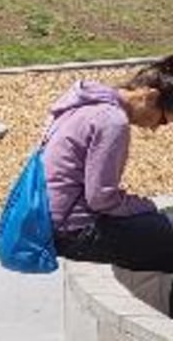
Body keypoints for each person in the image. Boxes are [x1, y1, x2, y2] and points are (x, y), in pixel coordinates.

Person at [46, 57, 173, 273]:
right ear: (150, 97)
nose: (154, 129)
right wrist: (147, 206)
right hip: (74, 231)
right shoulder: (113, 121)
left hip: (52, 221)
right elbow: (101, 199)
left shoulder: (82, 104)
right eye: (162, 120)